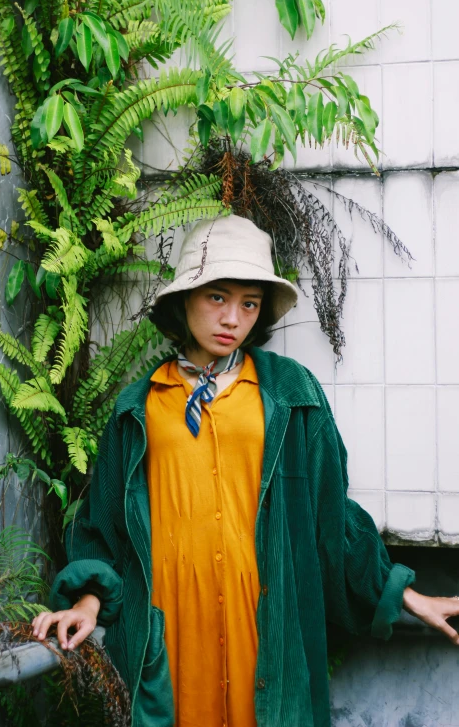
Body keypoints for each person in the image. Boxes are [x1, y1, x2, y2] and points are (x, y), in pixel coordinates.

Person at [32, 214, 459, 727]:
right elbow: (105, 527)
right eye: (217, 297)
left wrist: (405, 595)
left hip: (264, 633)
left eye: (249, 303)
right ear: (183, 299)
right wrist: (87, 602)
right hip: (171, 634)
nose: (232, 318)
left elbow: (329, 515)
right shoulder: (138, 408)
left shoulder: (291, 396)